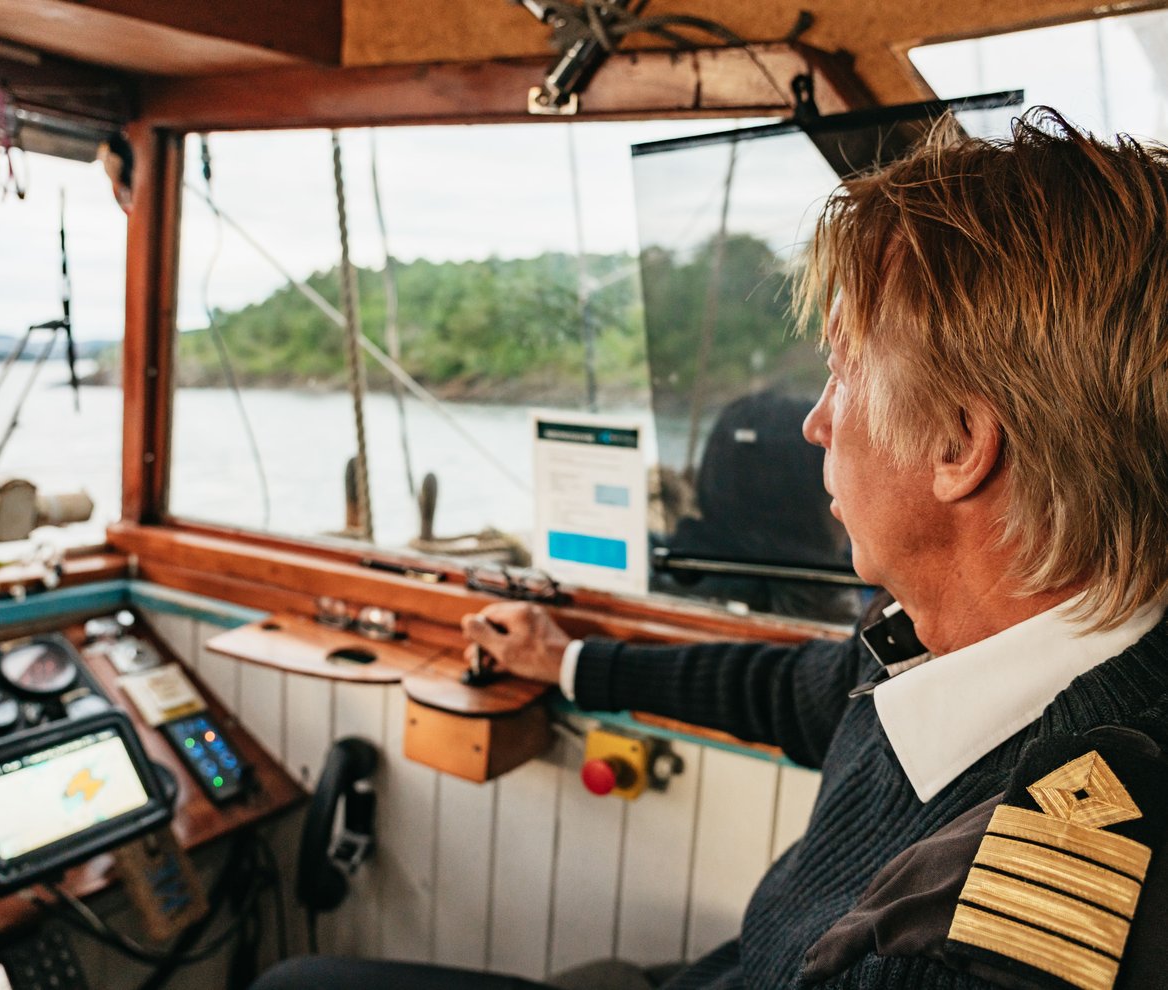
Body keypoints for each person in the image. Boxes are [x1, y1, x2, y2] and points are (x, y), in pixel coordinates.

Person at [255, 108, 1168, 989]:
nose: (815, 422)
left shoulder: (980, 936)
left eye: (843, 370)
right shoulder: (947, 639)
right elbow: (795, 691)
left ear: (959, 445)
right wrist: (567, 660)